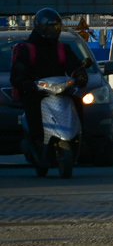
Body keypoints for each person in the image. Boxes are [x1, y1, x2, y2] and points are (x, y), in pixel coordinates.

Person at [9, 9, 87, 162]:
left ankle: (79, 138)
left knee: (77, 101)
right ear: (40, 27)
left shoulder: (63, 48)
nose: (53, 30)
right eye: (49, 27)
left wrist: (80, 75)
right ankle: (37, 141)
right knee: (32, 103)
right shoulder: (27, 49)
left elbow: (75, 65)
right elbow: (17, 72)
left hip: (59, 90)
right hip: (37, 91)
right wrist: (25, 82)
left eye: (55, 27)